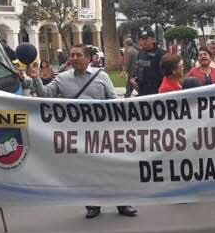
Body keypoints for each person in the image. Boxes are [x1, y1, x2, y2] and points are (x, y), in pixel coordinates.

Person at [28, 46, 138, 219]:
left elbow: (114, 103)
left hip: (103, 134)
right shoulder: (62, 79)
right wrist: (35, 79)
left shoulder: (101, 76)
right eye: (72, 55)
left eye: (78, 55)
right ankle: (92, 204)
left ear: (88, 58)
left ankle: (122, 203)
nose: (74, 58)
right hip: (78, 136)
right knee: (86, 170)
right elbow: (44, 94)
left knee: (113, 168)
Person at [131, 30, 165, 96]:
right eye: (141, 39)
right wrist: (134, 80)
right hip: (142, 91)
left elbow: (166, 74)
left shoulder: (161, 54)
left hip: (157, 93)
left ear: (153, 40)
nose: (143, 42)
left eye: (146, 39)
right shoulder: (140, 53)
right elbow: (137, 68)